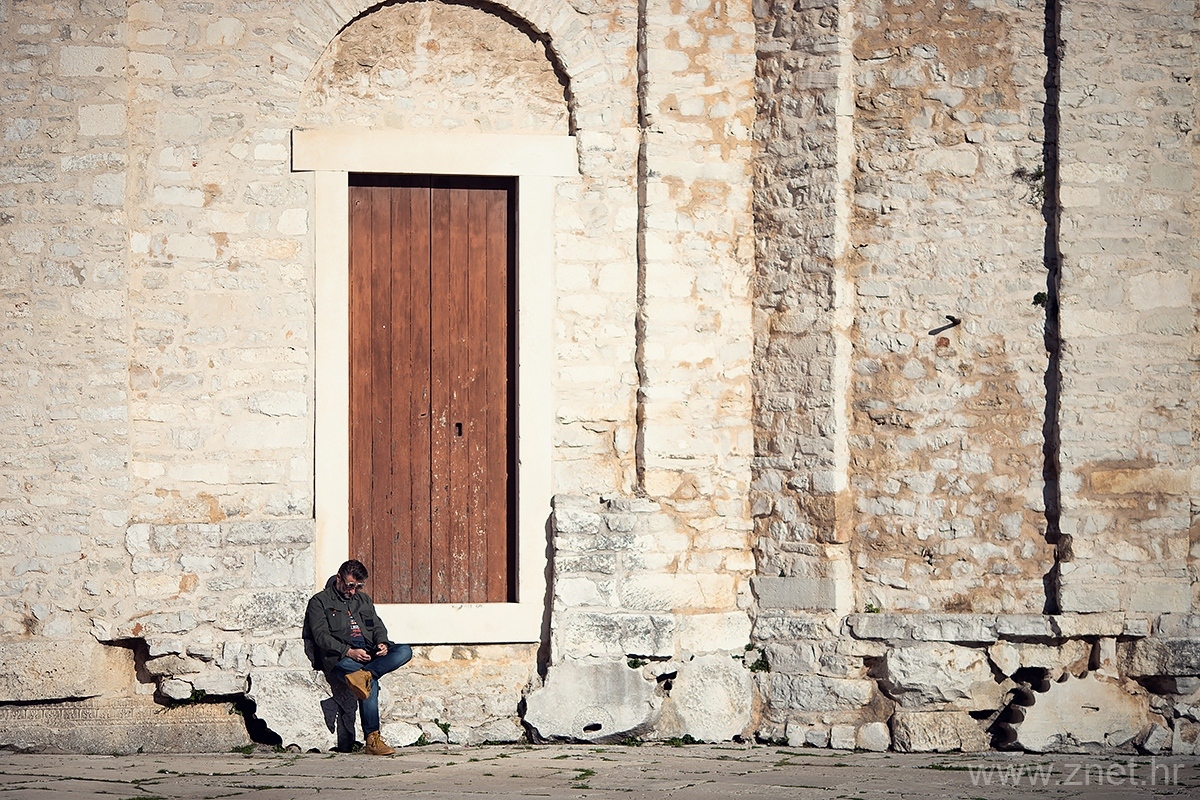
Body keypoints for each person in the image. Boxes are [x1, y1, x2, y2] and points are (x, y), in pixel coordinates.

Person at [304, 559, 412, 755]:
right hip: (340, 658)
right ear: (339, 578)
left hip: (368, 653)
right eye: (350, 585)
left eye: (358, 586)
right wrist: (349, 651)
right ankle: (372, 739)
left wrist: (382, 643)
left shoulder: (363, 600)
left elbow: (377, 626)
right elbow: (321, 637)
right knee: (371, 684)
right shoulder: (319, 601)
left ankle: (365, 674)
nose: (353, 591)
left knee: (405, 651)